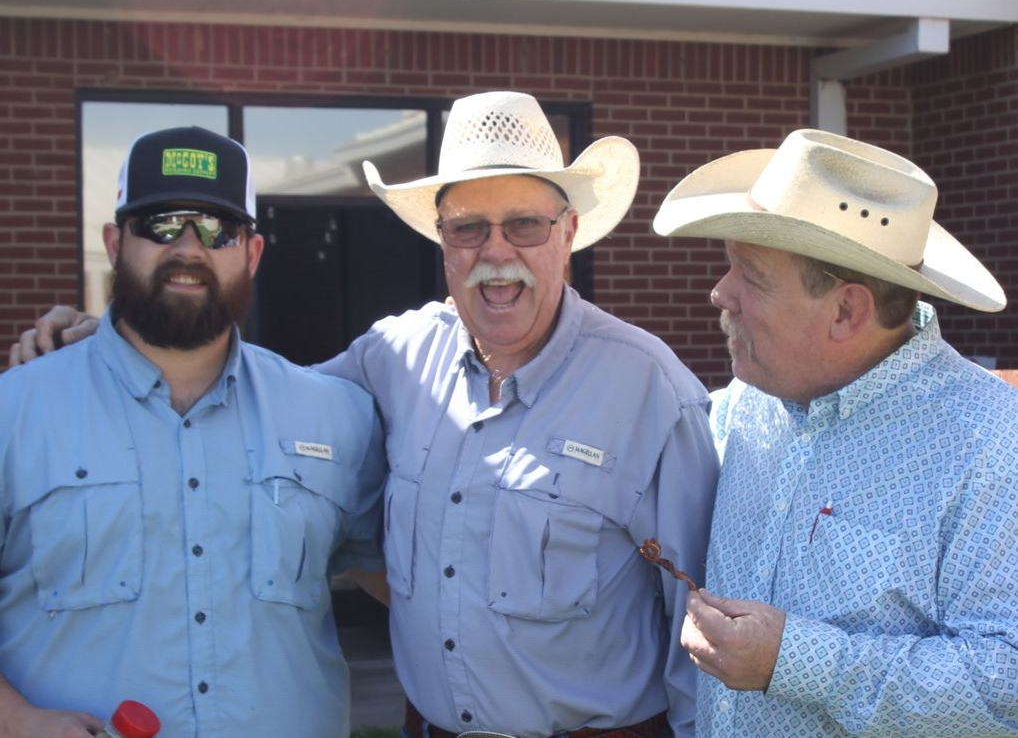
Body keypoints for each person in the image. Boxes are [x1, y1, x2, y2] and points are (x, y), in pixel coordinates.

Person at [11, 92, 720, 738]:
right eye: (469, 227)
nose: (496, 253)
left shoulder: (650, 390)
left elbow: (705, 622)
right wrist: (80, 344)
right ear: (441, 238)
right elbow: (394, 544)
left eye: (525, 225)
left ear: (568, 232)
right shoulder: (391, 362)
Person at [0, 126, 386, 738]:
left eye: (217, 230)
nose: (187, 247)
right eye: (160, 223)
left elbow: (415, 588)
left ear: (251, 253)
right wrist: (16, 720)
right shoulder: (14, 413)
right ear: (115, 242)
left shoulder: (337, 416)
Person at [653, 128, 1018, 737]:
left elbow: (1005, 684)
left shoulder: (988, 444)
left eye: (751, 273)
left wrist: (792, 660)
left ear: (847, 310)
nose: (721, 292)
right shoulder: (747, 401)